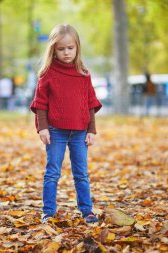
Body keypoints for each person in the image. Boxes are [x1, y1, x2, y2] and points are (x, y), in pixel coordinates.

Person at [30, 24, 102, 224]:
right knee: (52, 172)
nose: (66, 52)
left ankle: (87, 210)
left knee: (81, 173)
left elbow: (90, 103)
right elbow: (41, 103)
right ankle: (48, 212)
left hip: (80, 132)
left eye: (70, 48)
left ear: (77, 47)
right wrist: (42, 127)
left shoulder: (84, 73)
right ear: (53, 49)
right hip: (55, 131)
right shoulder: (48, 73)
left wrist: (92, 130)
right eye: (61, 49)